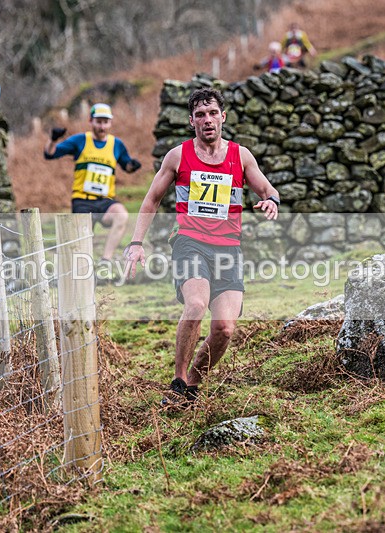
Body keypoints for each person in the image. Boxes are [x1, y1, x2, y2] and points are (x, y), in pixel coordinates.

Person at [123, 88, 280, 407]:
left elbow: (267, 188)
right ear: (191, 121)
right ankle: (178, 381)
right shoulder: (178, 156)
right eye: (200, 115)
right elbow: (152, 199)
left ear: (223, 116)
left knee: (224, 327)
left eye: (212, 113)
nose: (207, 120)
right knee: (195, 305)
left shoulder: (241, 156)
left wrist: (270, 201)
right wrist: (136, 243)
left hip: (228, 249)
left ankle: (193, 383)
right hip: (189, 243)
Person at [44, 103, 141, 264]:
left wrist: (133, 165)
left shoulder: (116, 144)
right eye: (98, 121)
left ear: (110, 123)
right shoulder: (80, 140)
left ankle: (105, 260)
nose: (102, 126)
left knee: (122, 215)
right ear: (91, 121)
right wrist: (52, 140)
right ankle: (82, 268)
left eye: (105, 122)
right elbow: (50, 154)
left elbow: (127, 166)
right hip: (82, 200)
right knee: (83, 242)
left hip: (105, 201)